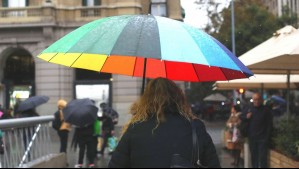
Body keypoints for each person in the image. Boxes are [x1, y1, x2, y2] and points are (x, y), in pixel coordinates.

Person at [108, 77, 220, 168]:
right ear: (178, 97)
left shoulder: (135, 128)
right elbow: (213, 164)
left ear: (146, 100)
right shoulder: (195, 126)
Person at [241, 93, 272, 168]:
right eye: (255, 99)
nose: (257, 101)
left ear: (261, 100)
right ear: (253, 100)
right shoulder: (249, 108)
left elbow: (269, 124)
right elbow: (241, 117)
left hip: (262, 138)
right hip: (252, 137)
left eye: (258, 99)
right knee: (254, 157)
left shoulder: (266, 110)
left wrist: (267, 137)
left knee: (263, 158)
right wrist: (246, 117)